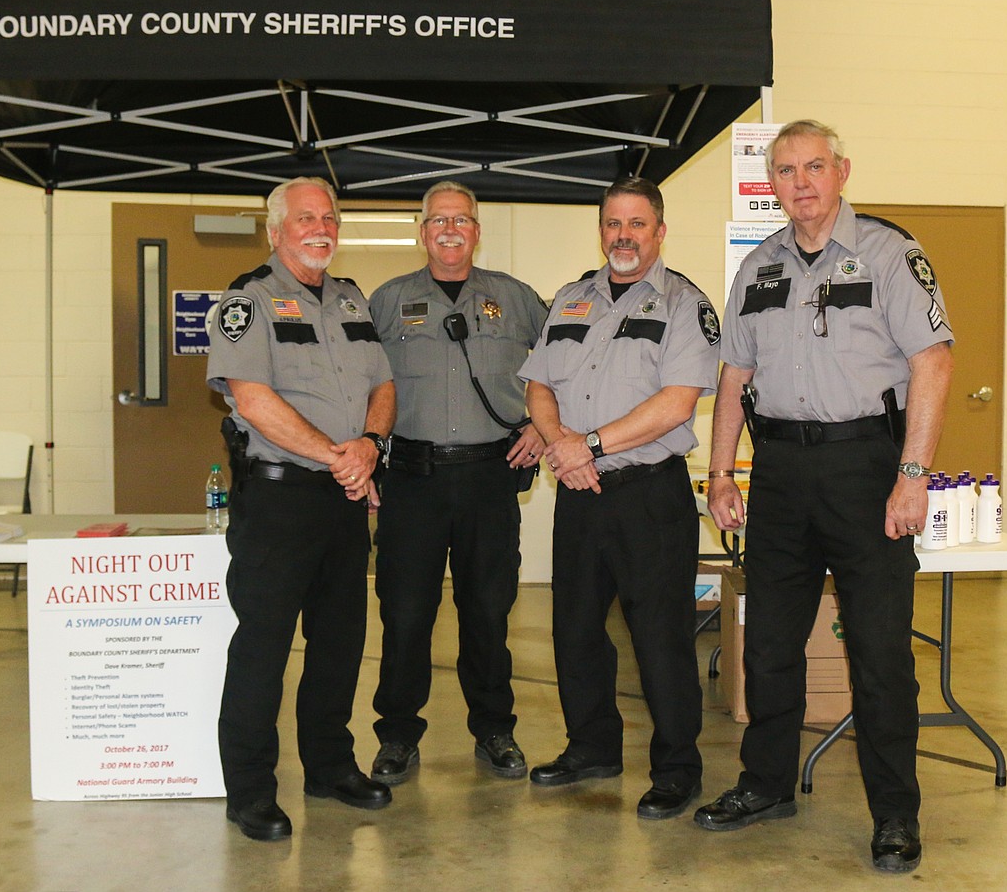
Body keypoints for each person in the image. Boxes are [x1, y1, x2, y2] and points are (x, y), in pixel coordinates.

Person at [694, 120, 953, 875]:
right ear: (769, 181)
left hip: (867, 469)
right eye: (785, 170)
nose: (800, 182)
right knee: (770, 642)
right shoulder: (757, 269)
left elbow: (932, 363)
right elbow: (733, 379)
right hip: (778, 473)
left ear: (841, 170)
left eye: (813, 167)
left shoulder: (888, 254)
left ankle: (895, 814)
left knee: (878, 652)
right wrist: (720, 474)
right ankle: (765, 783)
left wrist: (913, 474)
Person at [518, 176, 720, 819]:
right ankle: (592, 747)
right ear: (601, 230)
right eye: (613, 224)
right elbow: (539, 386)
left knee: (658, 637)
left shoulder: (686, 304)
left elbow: (676, 403)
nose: (624, 235)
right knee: (574, 628)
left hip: (646, 494)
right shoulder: (572, 299)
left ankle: (677, 768)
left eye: (637, 224)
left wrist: (591, 445)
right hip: (579, 490)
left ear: (659, 232)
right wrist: (561, 445)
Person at [206, 176, 397, 842]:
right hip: (279, 497)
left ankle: (329, 766)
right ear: (275, 229)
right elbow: (252, 398)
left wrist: (370, 446)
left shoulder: (350, 298)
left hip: (343, 502)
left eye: (330, 217)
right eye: (307, 217)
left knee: (340, 642)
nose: (322, 227)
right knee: (263, 646)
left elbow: (383, 384)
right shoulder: (247, 301)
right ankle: (251, 790)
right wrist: (336, 454)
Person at [367, 181, 548, 784]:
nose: (450, 230)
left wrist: (548, 431)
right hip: (410, 480)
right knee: (406, 613)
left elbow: (567, 366)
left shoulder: (515, 299)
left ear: (477, 231)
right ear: (422, 232)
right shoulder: (387, 301)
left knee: (489, 612)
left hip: (488, 480)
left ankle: (495, 729)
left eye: (462, 220)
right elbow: (360, 383)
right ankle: (396, 736)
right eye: (438, 220)